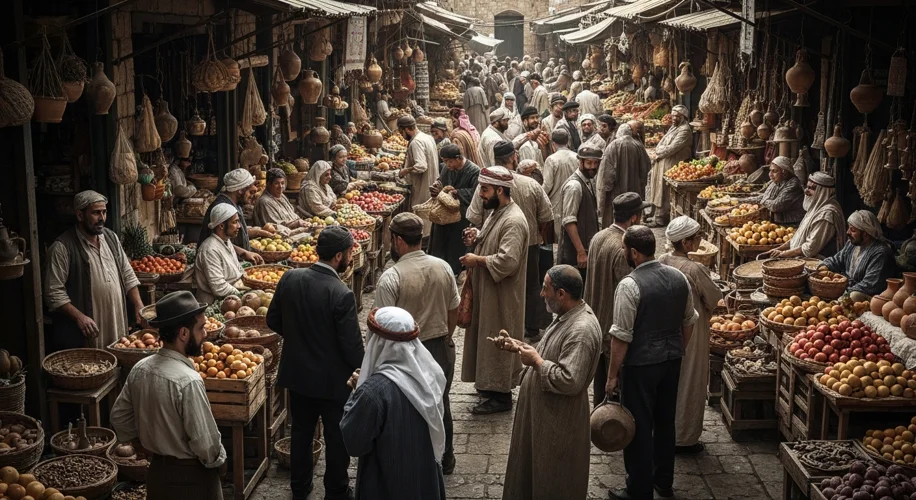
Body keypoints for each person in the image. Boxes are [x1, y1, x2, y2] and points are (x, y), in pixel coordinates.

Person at [266, 226, 364, 500]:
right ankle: (336, 490)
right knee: (336, 439)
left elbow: (272, 320)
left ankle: (300, 488)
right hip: (333, 383)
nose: (349, 257)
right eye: (348, 252)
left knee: (301, 433)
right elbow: (352, 348)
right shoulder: (341, 293)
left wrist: (299, 339)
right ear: (337, 256)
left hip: (298, 377)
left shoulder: (290, 278)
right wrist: (365, 368)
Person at [606, 226, 698, 500]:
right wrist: (678, 349)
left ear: (633, 252)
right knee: (665, 422)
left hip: (641, 366)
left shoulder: (629, 285)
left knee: (639, 426)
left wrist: (612, 375)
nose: (624, 253)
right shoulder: (679, 277)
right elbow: (689, 321)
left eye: (624, 249)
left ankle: (639, 489)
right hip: (671, 361)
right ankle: (663, 482)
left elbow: (621, 337)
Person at [110, 291, 226, 500]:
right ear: (183, 333)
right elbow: (206, 445)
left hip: (157, 476)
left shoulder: (140, 368)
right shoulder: (188, 380)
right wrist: (220, 463)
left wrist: (140, 444)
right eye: (200, 328)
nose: (205, 334)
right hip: (192, 479)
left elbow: (119, 417)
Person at [500, 265, 603, 500]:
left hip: (558, 424)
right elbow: (551, 352)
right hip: (544, 419)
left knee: (553, 481)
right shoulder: (566, 316)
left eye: (546, 289)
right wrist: (519, 346)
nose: (541, 294)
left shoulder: (582, 330)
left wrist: (536, 362)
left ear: (561, 294)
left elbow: (571, 379)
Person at [373, 214, 460, 474]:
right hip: (439, 347)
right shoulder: (443, 267)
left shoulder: (392, 277)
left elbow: (383, 323)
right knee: (439, 401)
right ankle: (445, 458)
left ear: (397, 240)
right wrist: (446, 335)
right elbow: (453, 309)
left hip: (406, 351)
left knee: (407, 406)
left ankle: (416, 462)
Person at [341, 307, 447, 500]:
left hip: (387, 484)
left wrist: (355, 395)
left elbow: (354, 442)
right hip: (424, 479)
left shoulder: (372, 392)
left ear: (377, 342)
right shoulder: (431, 374)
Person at [460, 167, 529, 414]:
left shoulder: (513, 220)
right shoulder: (497, 212)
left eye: (485, 189)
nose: (480, 194)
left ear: (500, 190)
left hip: (502, 296)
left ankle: (500, 396)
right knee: (486, 338)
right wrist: (477, 237)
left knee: (498, 338)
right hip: (488, 291)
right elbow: (493, 240)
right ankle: (488, 388)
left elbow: (507, 261)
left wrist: (476, 260)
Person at [469, 142, 553, 339]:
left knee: (507, 291)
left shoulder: (490, 188)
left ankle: (507, 328)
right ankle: (530, 327)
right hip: (530, 244)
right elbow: (547, 216)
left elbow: (474, 216)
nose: (482, 194)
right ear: (513, 157)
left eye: (484, 191)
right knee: (530, 286)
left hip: (500, 247)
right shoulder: (529, 184)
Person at [44, 190, 144, 351]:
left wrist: (138, 304)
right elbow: (53, 293)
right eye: (96, 213)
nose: (102, 218)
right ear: (79, 215)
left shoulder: (111, 238)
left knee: (119, 356)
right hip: (88, 328)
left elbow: (127, 273)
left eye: (104, 212)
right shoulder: (62, 248)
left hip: (115, 318)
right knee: (93, 366)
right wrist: (79, 317)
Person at [658, 216, 723, 454]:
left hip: (667, 327)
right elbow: (714, 299)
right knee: (691, 381)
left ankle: (666, 430)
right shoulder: (694, 268)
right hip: (693, 332)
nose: (700, 240)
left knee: (670, 381)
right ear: (685, 243)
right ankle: (684, 438)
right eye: (696, 237)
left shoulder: (663, 260)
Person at [584, 193, 648, 406]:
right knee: (617, 393)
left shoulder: (598, 237)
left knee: (601, 387)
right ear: (633, 219)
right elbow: (628, 291)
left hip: (596, 322)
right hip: (614, 328)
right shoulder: (623, 249)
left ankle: (601, 427)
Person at [429, 144, 481, 275]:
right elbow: (442, 181)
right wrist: (437, 186)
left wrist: (457, 192)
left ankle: (453, 273)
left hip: (460, 216)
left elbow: (476, 192)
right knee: (439, 244)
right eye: (445, 161)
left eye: (449, 161)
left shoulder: (474, 171)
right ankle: (438, 272)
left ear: (458, 158)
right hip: (443, 213)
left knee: (455, 247)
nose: (447, 164)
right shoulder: (447, 169)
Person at [768, 172, 846, 259]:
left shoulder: (826, 214)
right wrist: (779, 249)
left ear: (822, 191)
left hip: (819, 264)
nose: (806, 191)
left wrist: (783, 254)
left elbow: (810, 249)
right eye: (807, 187)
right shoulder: (817, 206)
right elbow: (797, 239)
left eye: (811, 188)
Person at [821, 210, 897, 296]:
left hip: (866, 295)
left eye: (852, 230)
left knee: (854, 296)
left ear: (865, 234)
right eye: (849, 228)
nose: (848, 232)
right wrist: (823, 266)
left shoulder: (880, 253)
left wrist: (843, 292)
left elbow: (869, 285)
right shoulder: (853, 243)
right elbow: (837, 260)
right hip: (846, 288)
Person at [198, 169, 265, 263]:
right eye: (250, 192)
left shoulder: (236, 204)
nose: (252, 196)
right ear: (240, 190)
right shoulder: (222, 208)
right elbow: (216, 243)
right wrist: (244, 253)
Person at [558, 146, 601, 279]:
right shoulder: (575, 186)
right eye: (589, 163)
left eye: (595, 163)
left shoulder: (587, 181)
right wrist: (581, 252)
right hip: (574, 253)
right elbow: (569, 221)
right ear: (580, 162)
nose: (592, 167)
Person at [647, 105, 692, 227]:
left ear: (683, 117)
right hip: (663, 161)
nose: (673, 118)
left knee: (664, 191)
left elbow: (672, 148)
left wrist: (658, 151)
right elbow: (661, 144)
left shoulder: (685, 130)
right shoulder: (674, 127)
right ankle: (656, 215)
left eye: (677, 116)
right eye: (673, 115)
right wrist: (659, 150)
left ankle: (661, 218)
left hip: (672, 164)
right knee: (658, 189)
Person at [599, 123, 652, 228]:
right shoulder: (639, 146)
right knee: (633, 218)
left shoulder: (612, 146)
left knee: (618, 220)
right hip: (635, 191)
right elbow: (646, 168)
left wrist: (604, 193)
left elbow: (607, 174)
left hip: (616, 193)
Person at [398, 115, 439, 241]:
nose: (401, 135)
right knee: (428, 219)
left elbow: (421, 166)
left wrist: (406, 170)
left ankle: (422, 246)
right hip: (432, 183)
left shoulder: (416, 142)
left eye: (401, 132)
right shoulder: (427, 137)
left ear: (407, 129)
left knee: (422, 219)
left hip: (423, 186)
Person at [194, 205, 244, 304]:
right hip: (213, 304)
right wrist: (241, 295)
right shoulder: (210, 250)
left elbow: (237, 269)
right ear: (221, 226)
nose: (239, 226)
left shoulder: (226, 241)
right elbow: (219, 287)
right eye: (235, 222)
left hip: (232, 297)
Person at [743, 156, 806, 225]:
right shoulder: (778, 181)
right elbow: (765, 196)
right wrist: (743, 200)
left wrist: (763, 200)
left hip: (792, 224)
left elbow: (775, 206)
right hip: (778, 222)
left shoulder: (793, 184)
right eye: (770, 170)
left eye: (774, 171)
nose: (770, 174)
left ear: (784, 172)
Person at [543, 129, 579, 240]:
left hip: (557, 203)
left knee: (559, 238)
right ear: (567, 141)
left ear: (553, 143)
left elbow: (547, 185)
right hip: (575, 198)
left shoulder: (551, 159)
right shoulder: (576, 157)